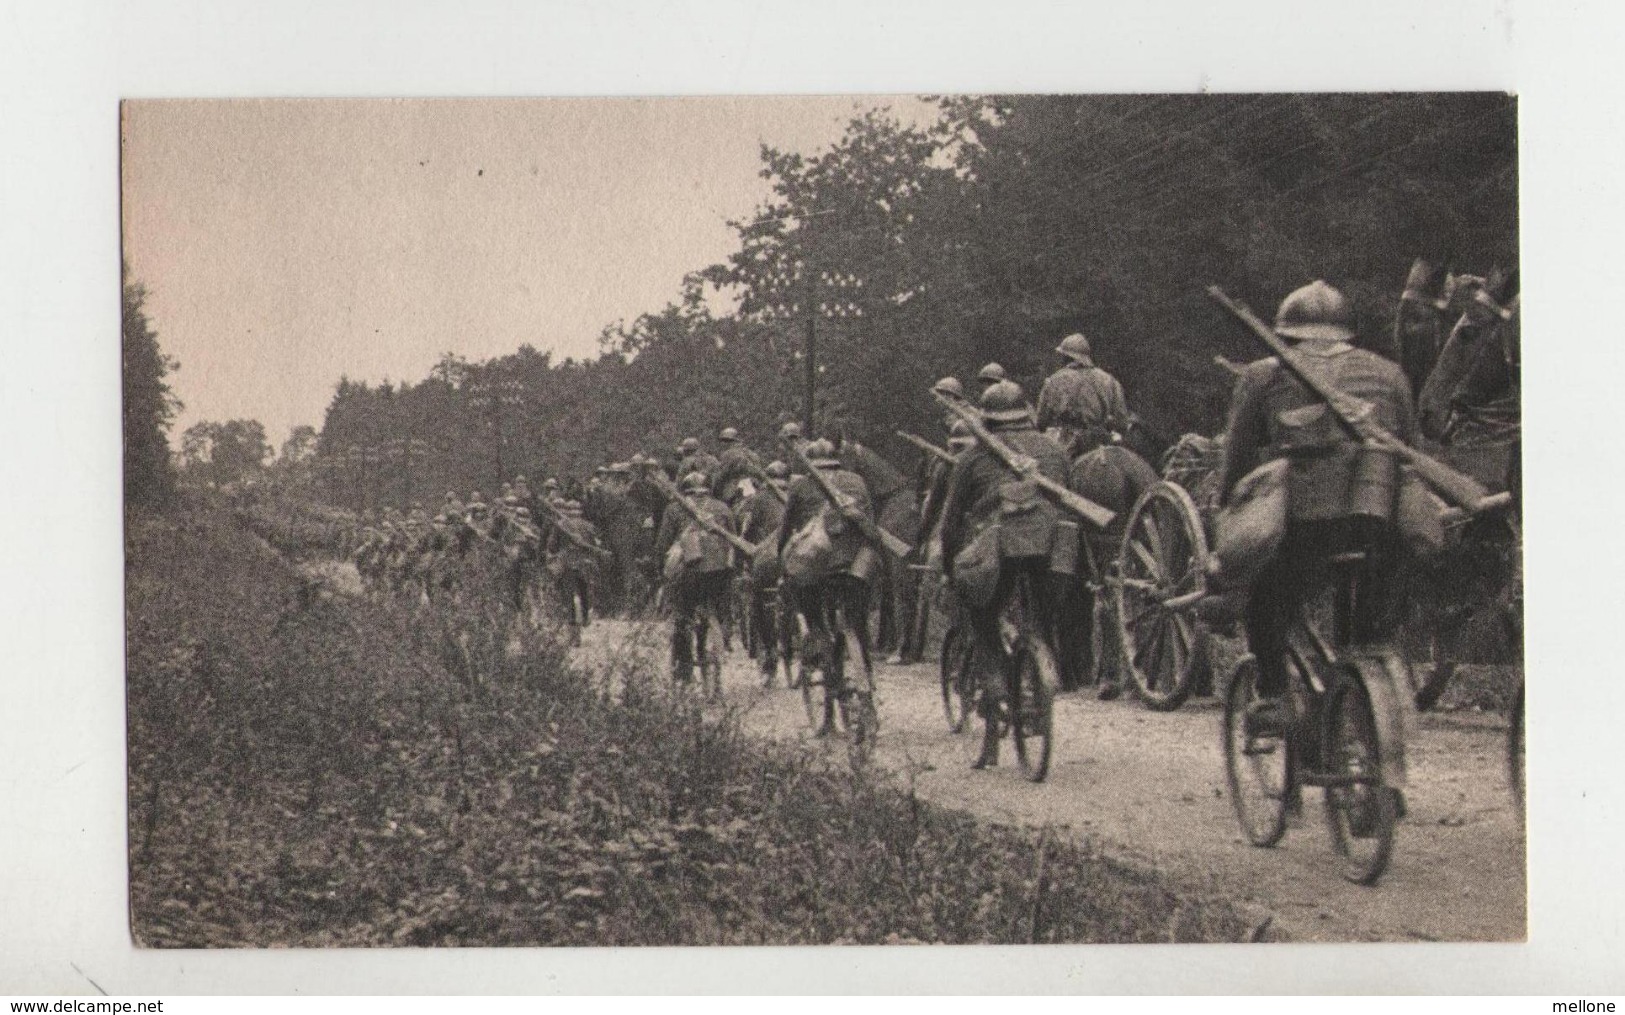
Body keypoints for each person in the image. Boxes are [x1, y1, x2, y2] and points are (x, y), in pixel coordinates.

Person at [1216, 280, 1417, 733]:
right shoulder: (1389, 374)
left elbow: (1238, 460)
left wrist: (1229, 507)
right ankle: (1366, 708)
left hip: (1307, 525)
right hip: (1380, 519)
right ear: (1347, 333)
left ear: (1287, 333)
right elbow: (1409, 447)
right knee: (1369, 630)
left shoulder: (1263, 376)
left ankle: (1272, 695)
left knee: (1263, 593)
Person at [939, 381, 1070, 769]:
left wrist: (950, 567)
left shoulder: (973, 459)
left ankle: (995, 692)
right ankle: (1041, 670)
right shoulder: (1055, 451)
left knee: (983, 618)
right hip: (1052, 548)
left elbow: (949, 525)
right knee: (1043, 619)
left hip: (998, 550)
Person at [776, 439, 879, 734]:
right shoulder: (857, 481)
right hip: (855, 564)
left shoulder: (800, 487)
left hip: (817, 566)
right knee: (856, 626)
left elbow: (786, 530)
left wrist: (783, 563)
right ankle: (866, 687)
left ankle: (821, 652)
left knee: (812, 614)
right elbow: (870, 525)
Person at [657, 471, 737, 685]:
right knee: (720, 609)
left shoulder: (674, 509)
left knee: (682, 615)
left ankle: (683, 669)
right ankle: (723, 634)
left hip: (689, 573)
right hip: (720, 572)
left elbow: (663, 543)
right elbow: (734, 540)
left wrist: (659, 566)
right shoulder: (722, 508)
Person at [1036, 332, 1131, 458]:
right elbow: (1122, 422)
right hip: (1101, 442)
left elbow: (1042, 421)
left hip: (1066, 442)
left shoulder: (1054, 381)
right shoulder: (1109, 380)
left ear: (1065, 357)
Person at [737, 459, 789, 684]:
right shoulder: (796, 494)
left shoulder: (759, 499)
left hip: (769, 558)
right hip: (796, 557)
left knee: (758, 603)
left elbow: (747, 532)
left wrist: (744, 557)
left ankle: (769, 656)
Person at [712, 426, 764, 506]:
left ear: (728, 442)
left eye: (724, 441)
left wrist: (713, 491)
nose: (722, 444)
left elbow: (720, 477)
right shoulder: (753, 454)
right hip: (755, 489)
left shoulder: (728, 454)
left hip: (736, 491)